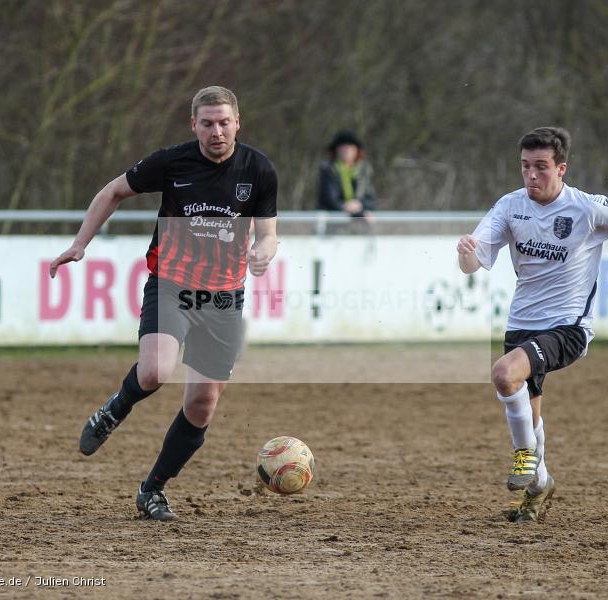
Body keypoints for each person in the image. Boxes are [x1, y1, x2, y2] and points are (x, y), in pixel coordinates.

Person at [49, 86, 278, 521]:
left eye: (224, 122)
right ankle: (116, 408)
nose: (216, 131)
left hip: (225, 297)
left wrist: (266, 252)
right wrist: (80, 244)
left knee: (202, 405)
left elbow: (267, 232)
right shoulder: (172, 162)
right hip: (172, 284)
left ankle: (152, 490)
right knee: (155, 370)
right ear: (193, 125)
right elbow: (113, 191)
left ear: (238, 123)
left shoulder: (259, 169)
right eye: (207, 123)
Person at [457, 127, 608, 524]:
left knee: (505, 374)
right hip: (521, 326)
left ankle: (525, 460)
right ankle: (540, 485)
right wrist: (467, 254)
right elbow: (474, 264)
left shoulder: (589, 208)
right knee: (530, 415)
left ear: (561, 168)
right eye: (525, 167)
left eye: (541, 167)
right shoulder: (510, 206)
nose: (531, 176)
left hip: (568, 328)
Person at [317, 130, 375, 231]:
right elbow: (329, 199)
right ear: (336, 150)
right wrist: (346, 206)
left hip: (358, 226)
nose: (347, 149)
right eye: (343, 146)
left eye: (350, 146)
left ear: (357, 150)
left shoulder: (364, 171)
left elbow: (371, 199)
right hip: (332, 223)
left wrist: (360, 205)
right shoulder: (328, 169)